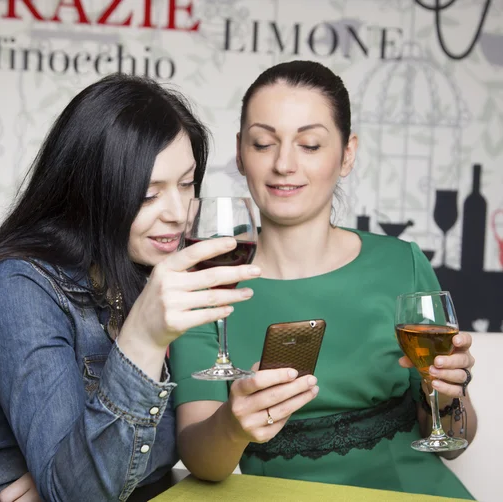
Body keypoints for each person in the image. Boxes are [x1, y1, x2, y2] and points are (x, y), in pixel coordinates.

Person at [0, 73, 261, 501]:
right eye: (148, 195)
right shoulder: (16, 286)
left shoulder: (142, 275)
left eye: (186, 184)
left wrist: (59, 477)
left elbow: (149, 453)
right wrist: (143, 341)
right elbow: (83, 492)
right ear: (91, 191)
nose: (178, 212)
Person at [170, 60, 477, 500]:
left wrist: (447, 391)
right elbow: (204, 461)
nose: (284, 164)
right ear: (240, 152)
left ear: (347, 153)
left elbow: (454, 442)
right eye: (263, 143)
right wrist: (235, 424)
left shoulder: (401, 263)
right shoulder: (205, 275)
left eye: (310, 144)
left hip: (413, 490)